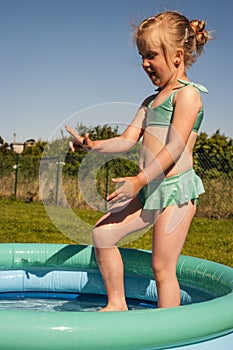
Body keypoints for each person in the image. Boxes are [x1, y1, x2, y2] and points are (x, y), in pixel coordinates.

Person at [65, 11, 212, 311]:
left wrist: (138, 180)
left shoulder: (187, 96)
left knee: (162, 267)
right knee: (102, 234)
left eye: (152, 55)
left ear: (177, 56)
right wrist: (92, 146)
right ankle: (117, 304)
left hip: (175, 193)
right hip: (149, 191)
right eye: (142, 56)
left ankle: (167, 331)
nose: (145, 63)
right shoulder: (150, 101)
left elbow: (173, 149)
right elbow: (127, 139)